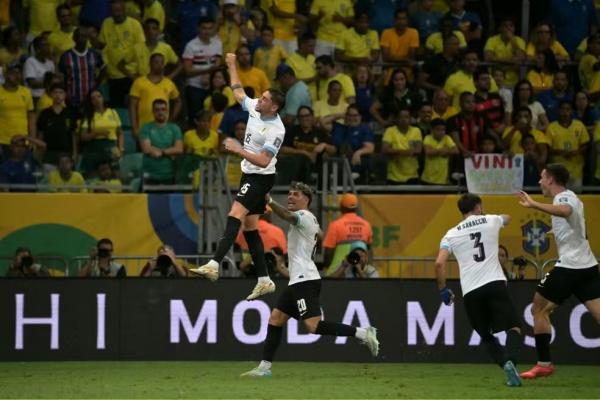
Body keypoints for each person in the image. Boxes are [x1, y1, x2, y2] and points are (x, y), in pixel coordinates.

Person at [240, 182, 379, 377]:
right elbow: (318, 235)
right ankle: (264, 367)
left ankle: (363, 333)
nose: (290, 197)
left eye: (295, 194)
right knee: (276, 318)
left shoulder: (304, 216)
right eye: (289, 194)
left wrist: (270, 200)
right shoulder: (309, 220)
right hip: (298, 279)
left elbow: (288, 216)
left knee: (313, 326)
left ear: (306, 199)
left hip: (305, 280)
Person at [189, 52, 286, 300]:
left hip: (261, 177)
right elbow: (238, 92)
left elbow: (264, 160)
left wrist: (238, 149)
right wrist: (232, 65)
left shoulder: (276, 129)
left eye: (264, 99)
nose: (259, 100)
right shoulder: (256, 108)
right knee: (250, 228)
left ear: (273, 106)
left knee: (234, 214)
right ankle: (265, 279)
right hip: (249, 174)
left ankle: (213, 265)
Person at [517, 164, 600, 379]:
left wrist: (533, 204)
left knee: (538, 309)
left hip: (570, 267)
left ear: (551, 180)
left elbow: (565, 211)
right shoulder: (571, 197)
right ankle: (543, 364)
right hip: (587, 266)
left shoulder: (563, 198)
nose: (539, 181)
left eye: (542, 177)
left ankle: (544, 364)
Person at [435, 193, 523, 387]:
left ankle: (504, 365)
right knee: (514, 327)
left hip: (471, 290)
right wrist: (498, 218)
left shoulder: (450, 234)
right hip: (494, 284)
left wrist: (443, 290)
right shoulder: (491, 220)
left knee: (485, 334)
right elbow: (507, 217)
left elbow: (439, 263)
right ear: (478, 207)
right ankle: (511, 363)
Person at [129, 53, 182, 141]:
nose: (160, 65)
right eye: (156, 62)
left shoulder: (169, 83)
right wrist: (134, 127)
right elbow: (132, 105)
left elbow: (178, 101)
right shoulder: (139, 82)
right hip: (144, 127)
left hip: (163, 129)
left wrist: (172, 119)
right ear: (150, 64)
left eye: (162, 63)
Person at [182, 17, 223, 125]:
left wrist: (210, 75)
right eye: (204, 28)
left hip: (211, 87)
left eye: (210, 28)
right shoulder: (191, 46)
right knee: (196, 118)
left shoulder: (217, 43)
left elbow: (218, 64)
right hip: (194, 87)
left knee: (212, 118)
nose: (207, 31)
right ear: (198, 29)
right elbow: (187, 71)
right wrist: (206, 71)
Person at [78, 88, 124, 176]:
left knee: (115, 175)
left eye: (99, 96)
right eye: (93, 98)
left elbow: (120, 132)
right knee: (93, 177)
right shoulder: (88, 115)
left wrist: (121, 148)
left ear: (103, 98)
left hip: (111, 147)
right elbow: (83, 137)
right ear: (91, 101)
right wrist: (97, 133)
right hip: (94, 148)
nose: (97, 100)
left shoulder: (113, 112)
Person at [322, 193, 373, 271]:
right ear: (356, 208)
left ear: (342, 207)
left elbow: (328, 252)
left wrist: (327, 267)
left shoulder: (335, 225)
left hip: (339, 273)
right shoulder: (366, 225)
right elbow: (369, 250)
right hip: (360, 272)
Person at [58, 27, 105, 109]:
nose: (83, 39)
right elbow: (61, 75)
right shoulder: (66, 56)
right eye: (80, 36)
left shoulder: (94, 54)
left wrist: (97, 83)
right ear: (74, 38)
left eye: (85, 36)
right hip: (72, 100)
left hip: (91, 100)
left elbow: (104, 68)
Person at [139, 99, 183, 185]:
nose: (160, 112)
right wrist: (170, 152)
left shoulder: (175, 128)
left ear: (167, 111)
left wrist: (161, 152)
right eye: (157, 110)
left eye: (163, 109)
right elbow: (146, 149)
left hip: (170, 175)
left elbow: (179, 149)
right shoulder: (146, 128)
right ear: (153, 112)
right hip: (149, 175)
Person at [546, 101, 590, 186]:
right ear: (558, 111)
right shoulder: (551, 127)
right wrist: (561, 152)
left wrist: (576, 152)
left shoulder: (579, 125)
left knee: (575, 197)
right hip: (557, 171)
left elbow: (585, 145)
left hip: (576, 170)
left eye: (567, 109)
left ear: (572, 111)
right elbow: (548, 149)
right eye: (562, 110)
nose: (565, 112)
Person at [382, 108, 423, 184]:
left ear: (410, 119)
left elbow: (418, 150)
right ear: (396, 119)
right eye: (401, 117)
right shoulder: (390, 130)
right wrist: (408, 152)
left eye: (406, 117)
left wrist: (395, 151)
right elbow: (385, 150)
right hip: (393, 176)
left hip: (412, 175)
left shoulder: (416, 131)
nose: (404, 120)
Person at [421, 118, 458, 185]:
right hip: (428, 179)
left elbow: (456, 151)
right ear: (432, 130)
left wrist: (435, 150)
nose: (441, 132)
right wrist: (444, 149)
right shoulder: (427, 138)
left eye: (443, 130)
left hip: (443, 180)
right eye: (438, 129)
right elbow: (428, 152)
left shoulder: (447, 138)